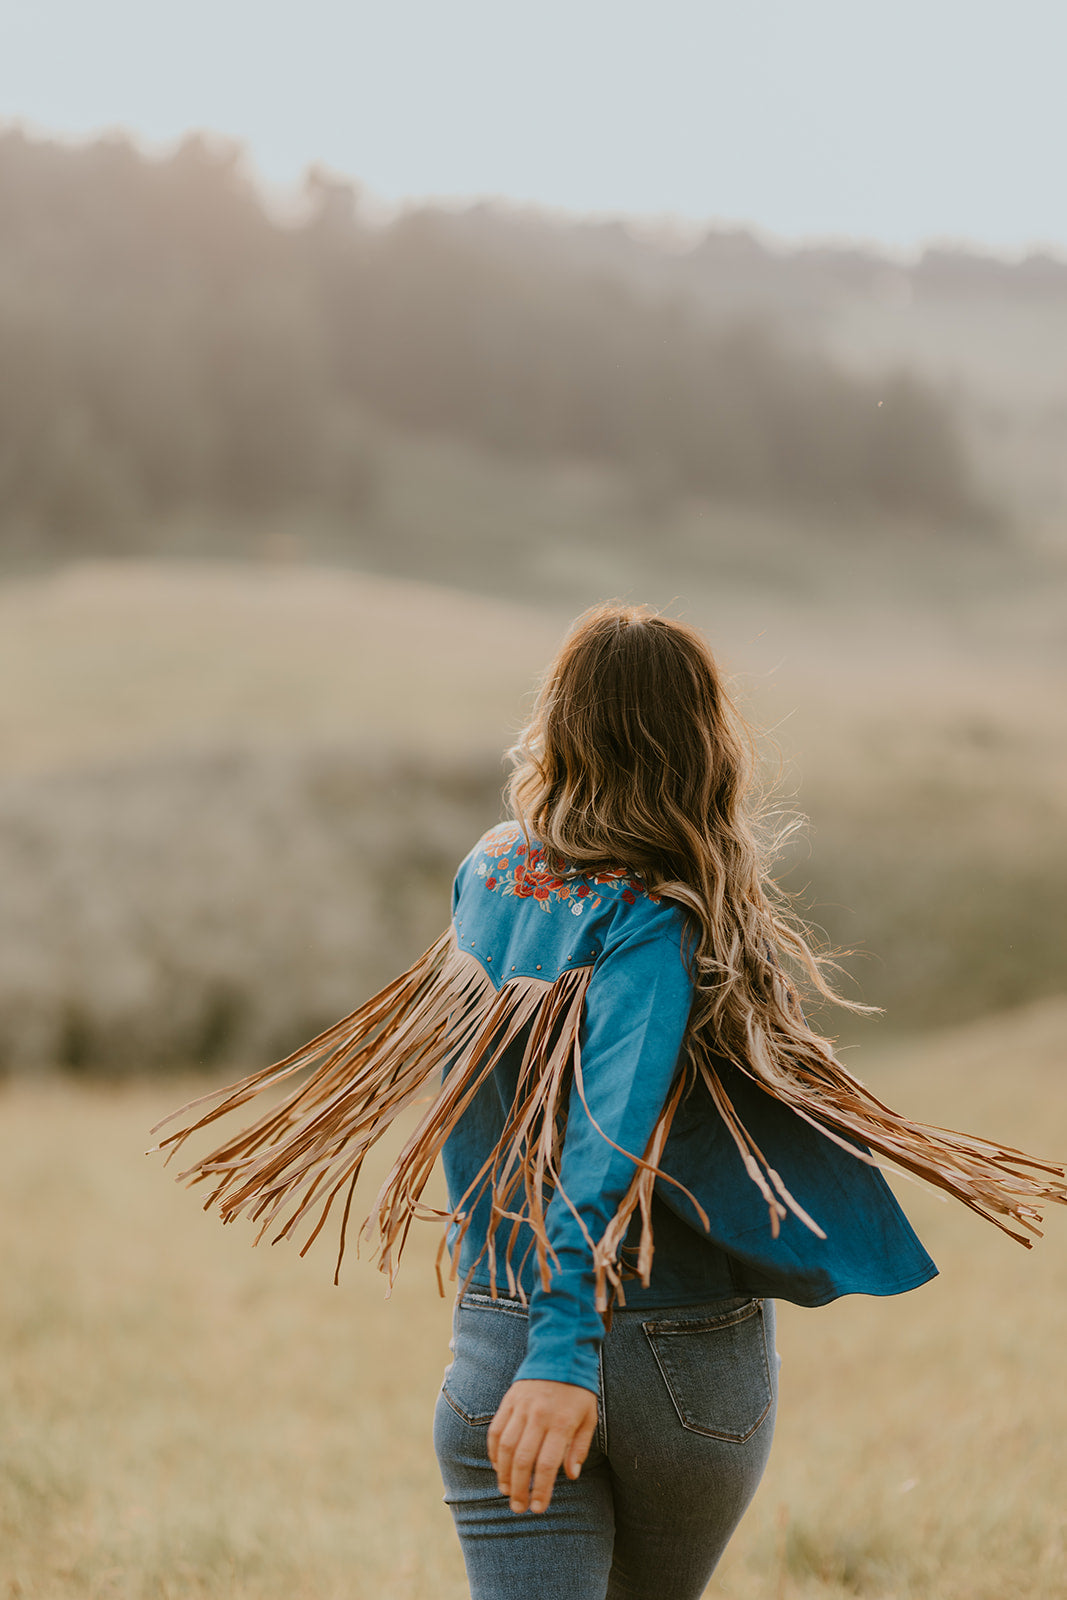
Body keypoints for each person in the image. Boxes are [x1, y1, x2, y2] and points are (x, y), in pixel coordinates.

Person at [153, 603, 1065, 1600]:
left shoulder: (486, 873)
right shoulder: (661, 925)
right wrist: (562, 1354)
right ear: (703, 748)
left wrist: (539, 1353)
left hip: (498, 1346)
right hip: (659, 1364)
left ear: (560, 727)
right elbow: (601, 1138)